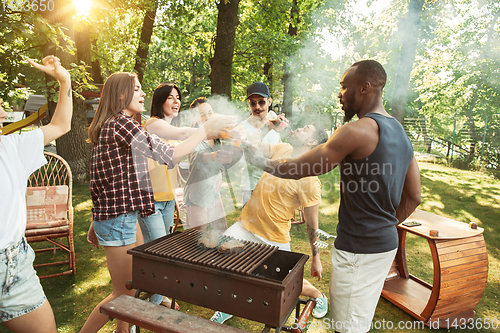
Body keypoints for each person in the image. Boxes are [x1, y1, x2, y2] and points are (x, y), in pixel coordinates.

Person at [242, 60, 422, 333]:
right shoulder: (400, 131)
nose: (340, 93)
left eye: (344, 86)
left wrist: (259, 160)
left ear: (365, 88)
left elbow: (300, 168)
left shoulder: (355, 131)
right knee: (357, 321)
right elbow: (414, 196)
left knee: (346, 327)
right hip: (385, 246)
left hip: (358, 250)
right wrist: (383, 227)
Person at [82, 72, 235, 333]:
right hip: (119, 221)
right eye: (138, 89)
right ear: (121, 95)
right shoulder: (122, 124)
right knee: (123, 295)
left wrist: (97, 220)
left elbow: (105, 179)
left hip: (119, 217)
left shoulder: (115, 124)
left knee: (137, 283)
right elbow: (169, 154)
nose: (143, 94)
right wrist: (203, 131)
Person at [210, 123, 330, 324]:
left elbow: (312, 223)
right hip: (245, 226)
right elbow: (254, 147)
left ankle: (318, 295)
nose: (298, 128)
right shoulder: (283, 148)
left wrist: (316, 258)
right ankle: (227, 306)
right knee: (222, 261)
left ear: (312, 142)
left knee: (285, 283)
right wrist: (239, 136)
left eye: (305, 128)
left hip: (274, 237)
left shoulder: (309, 178)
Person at [0, 55, 72, 332]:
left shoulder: (11, 147)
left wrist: (64, 79)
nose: (5, 114)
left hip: (14, 265)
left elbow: (60, 126)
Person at [235, 82, 288, 206]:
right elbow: (249, 147)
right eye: (252, 103)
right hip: (253, 188)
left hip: (274, 186)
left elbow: (278, 148)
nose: (257, 106)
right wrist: (267, 128)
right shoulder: (242, 127)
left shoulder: (272, 119)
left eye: (261, 102)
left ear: (269, 101)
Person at [183, 97, 232, 232]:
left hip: (213, 192)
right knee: (199, 236)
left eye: (210, 113)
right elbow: (195, 158)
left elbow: (220, 160)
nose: (208, 117)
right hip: (196, 194)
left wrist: (219, 173)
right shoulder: (191, 134)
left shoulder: (216, 136)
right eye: (202, 114)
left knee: (222, 230)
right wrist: (214, 156)